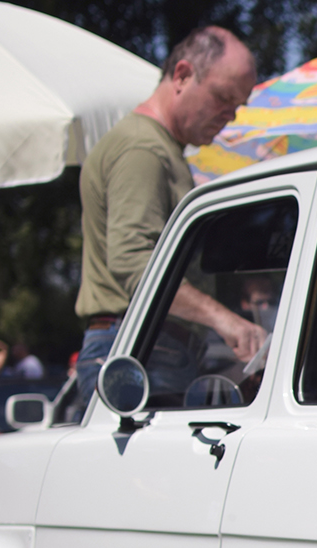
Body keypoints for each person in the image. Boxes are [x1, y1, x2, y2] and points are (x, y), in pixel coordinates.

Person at [73, 26, 264, 411]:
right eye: (223, 98)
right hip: (139, 351)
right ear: (182, 75)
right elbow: (133, 262)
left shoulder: (157, 146)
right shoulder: (143, 148)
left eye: (237, 106)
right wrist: (224, 321)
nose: (229, 115)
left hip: (145, 348)